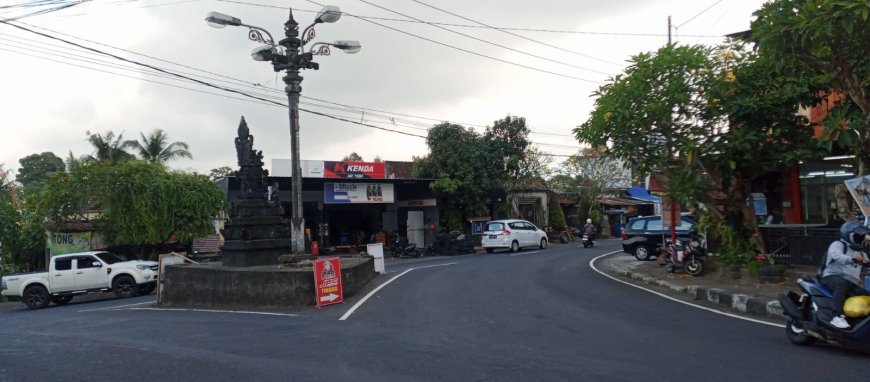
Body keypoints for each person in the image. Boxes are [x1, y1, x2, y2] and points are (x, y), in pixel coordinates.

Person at [821, 221, 870, 329]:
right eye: (857, 236)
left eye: (861, 237)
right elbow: (837, 257)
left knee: (867, 295)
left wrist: (864, 262)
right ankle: (837, 317)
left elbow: (867, 261)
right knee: (841, 284)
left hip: (850, 282)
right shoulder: (838, 244)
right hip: (831, 277)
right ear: (849, 235)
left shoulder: (860, 252)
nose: (860, 238)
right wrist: (853, 260)